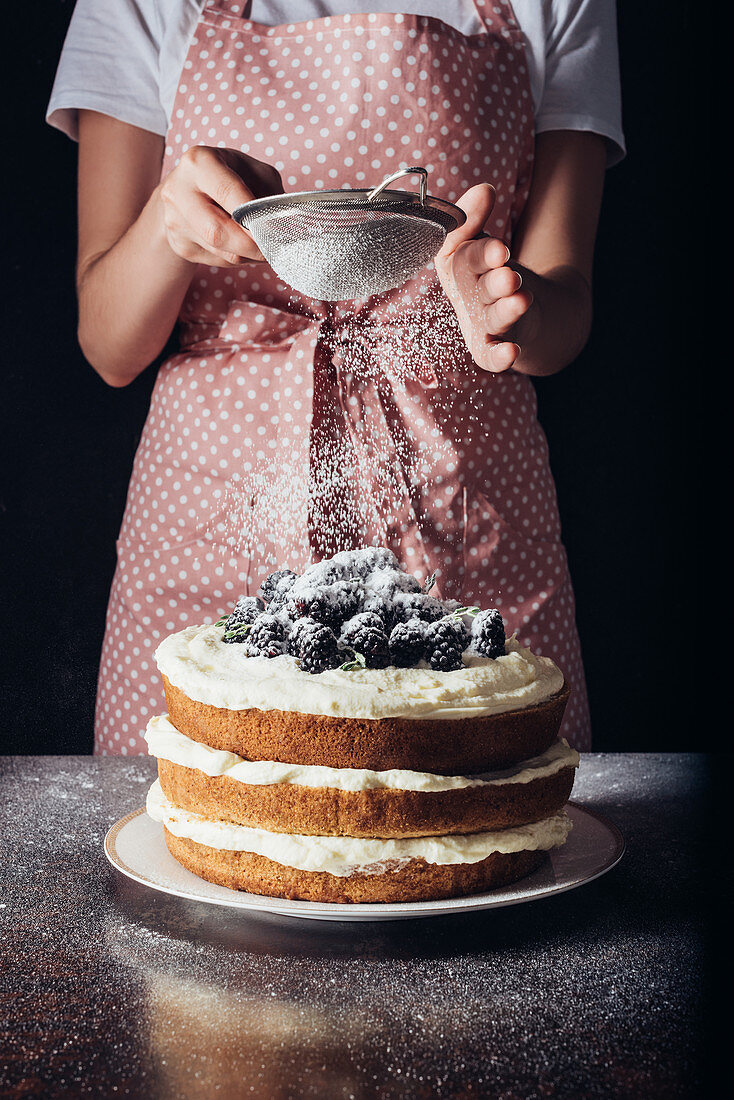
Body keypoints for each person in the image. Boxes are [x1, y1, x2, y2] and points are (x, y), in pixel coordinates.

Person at [47, 0, 624, 755]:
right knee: (198, 825)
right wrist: (169, 222)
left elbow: (564, 306)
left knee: (477, 831)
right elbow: (109, 344)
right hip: (212, 509)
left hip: (463, 513)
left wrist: (513, 309)